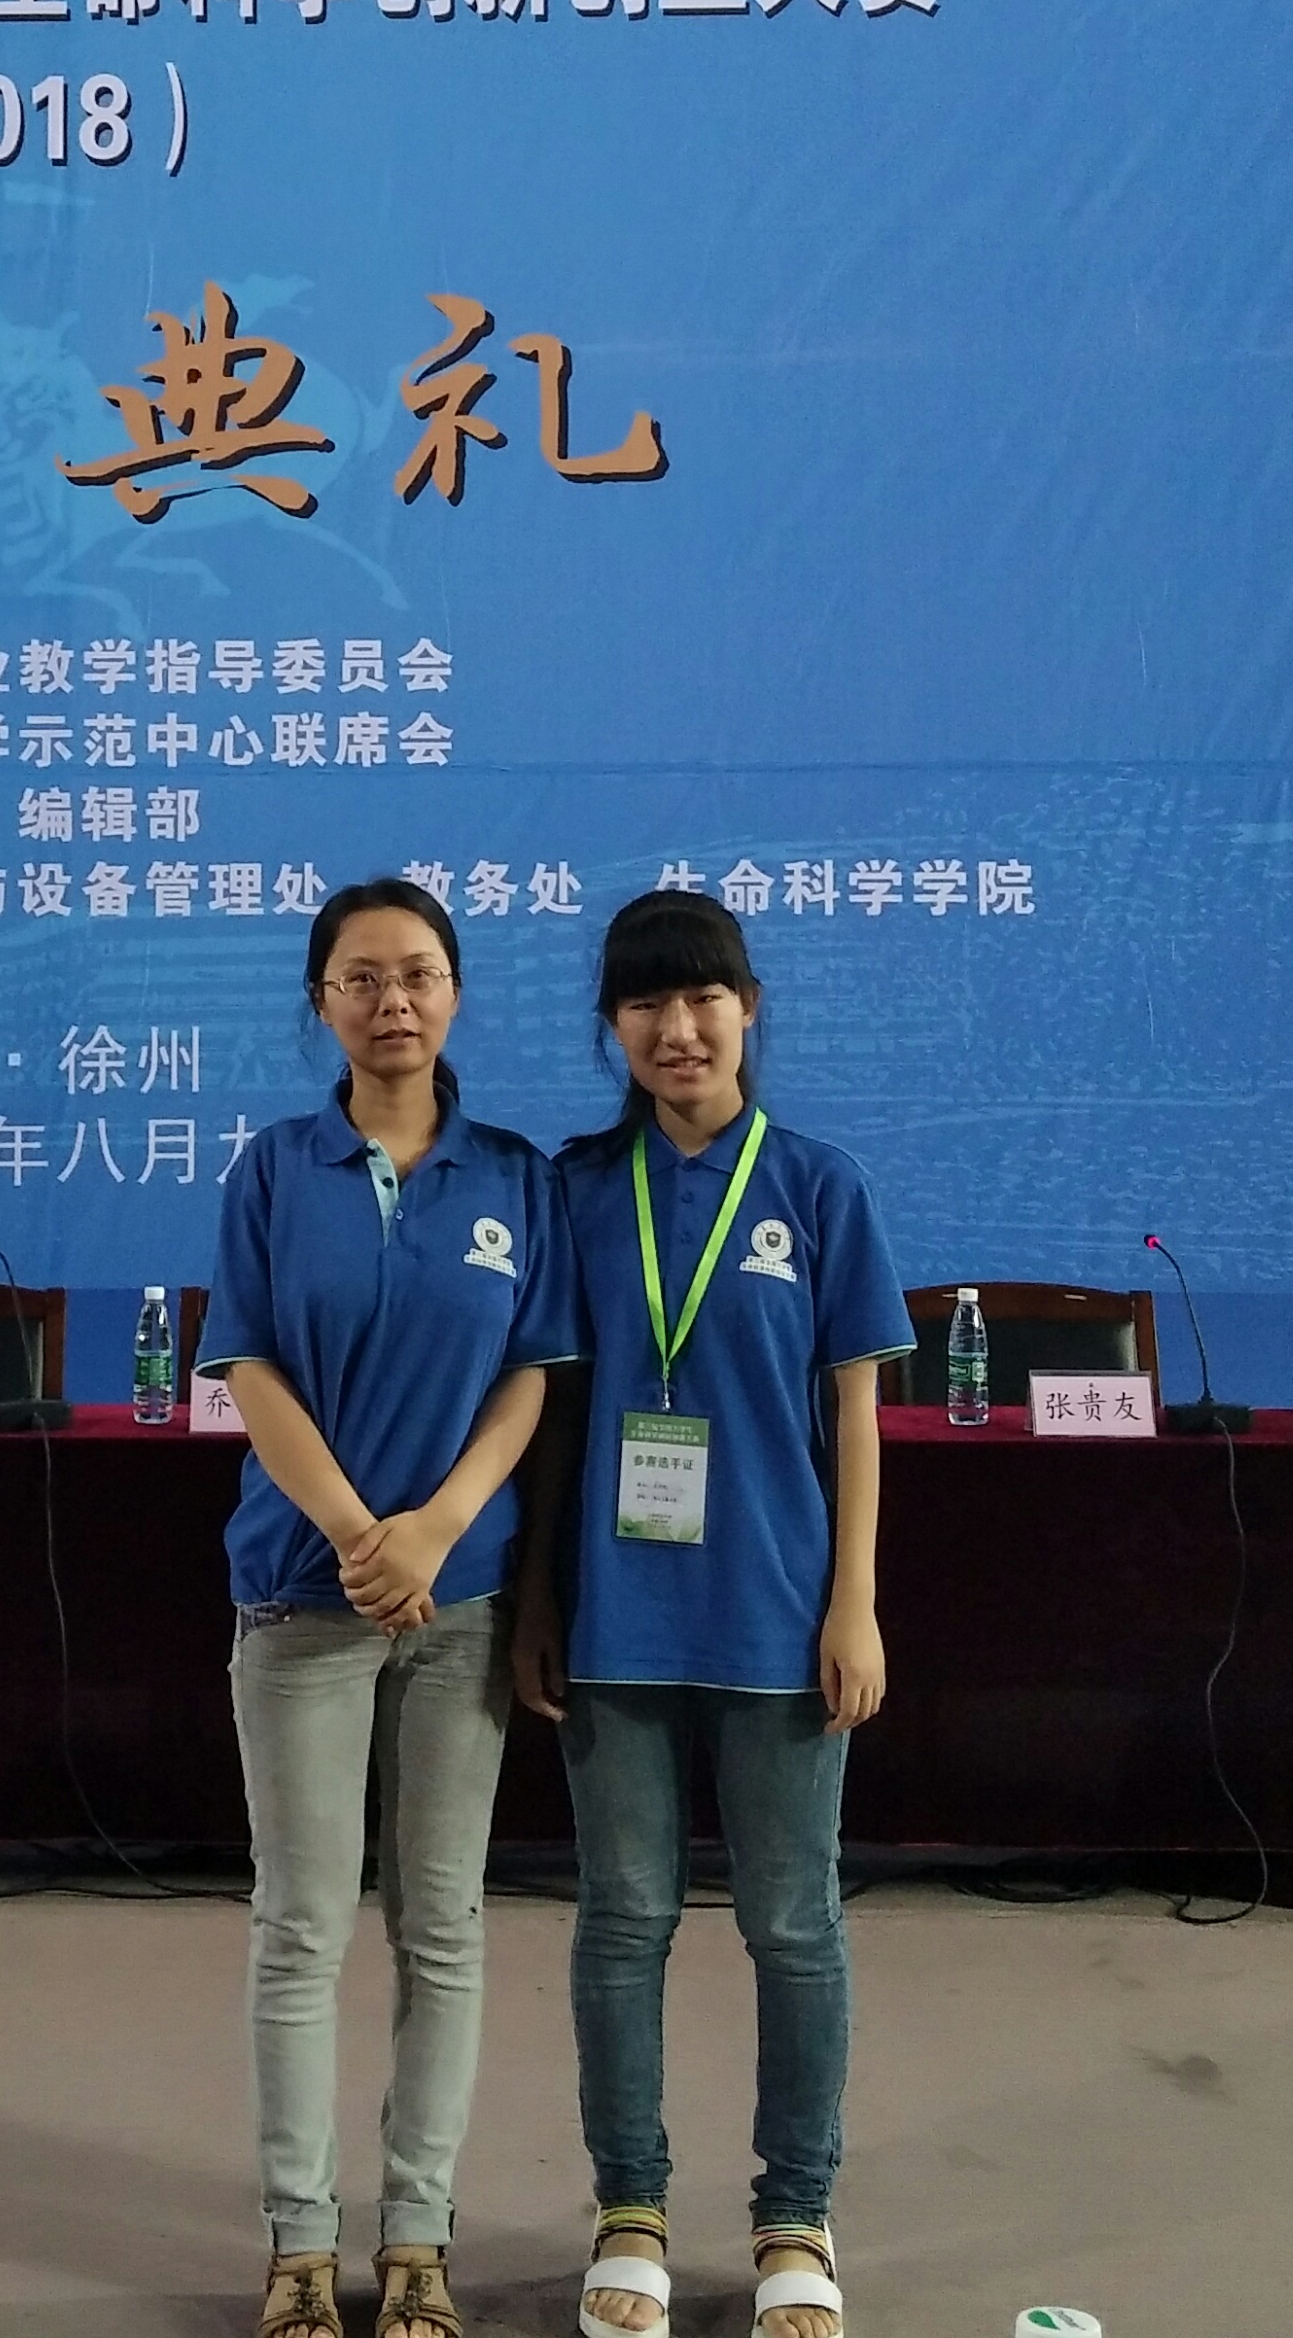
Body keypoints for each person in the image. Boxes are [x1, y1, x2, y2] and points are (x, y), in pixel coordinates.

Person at [512, 888, 914, 2338]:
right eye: (646, 1003)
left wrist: (855, 1603)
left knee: (793, 1925)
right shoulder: (576, 1188)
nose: (677, 1029)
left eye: (703, 998)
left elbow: (855, 1419)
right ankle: (630, 2208)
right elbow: (553, 1414)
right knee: (622, 1922)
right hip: (615, 1618)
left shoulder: (818, 1187)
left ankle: (795, 2216)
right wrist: (539, 1594)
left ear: (749, 1009)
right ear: (612, 1025)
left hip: (779, 1617)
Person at [198, 874, 578, 2338]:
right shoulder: (274, 1169)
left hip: (460, 1602)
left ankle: (418, 2241)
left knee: (443, 1926)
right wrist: (364, 1534)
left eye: (417, 972)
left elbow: (529, 1375)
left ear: (455, 992)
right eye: (360, 978)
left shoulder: (514, 1177)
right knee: (301, 1927)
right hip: (305, 1597)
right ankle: (299, 2246)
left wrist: (436, 1529)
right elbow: (249, 1366)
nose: (392, 1000)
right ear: (322, 1002)